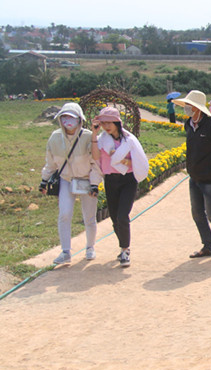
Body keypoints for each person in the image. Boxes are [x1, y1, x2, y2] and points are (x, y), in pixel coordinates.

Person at [173, 90, 211, 258]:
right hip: (195, 177)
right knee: (197, 213)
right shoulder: (188, 125)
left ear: (197, 108)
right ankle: (208, 246)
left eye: (189, 105)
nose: (186, 108)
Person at [40, 102, 102, 265]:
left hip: (86, 180)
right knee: (64, 214)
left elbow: (96, 163)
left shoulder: (89, 137)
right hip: (66, 180)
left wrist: (94, 184)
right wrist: (44, 180)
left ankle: (90, 247)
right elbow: (50, 162)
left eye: (72, 117)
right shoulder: (55, 138)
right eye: (65, 117)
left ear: (79, 119)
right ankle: (65, 251)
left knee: (89, 216)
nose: (68, 121)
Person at [91, 107, 149, 267]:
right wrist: (94, 134)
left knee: (123, 216)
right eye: (103, 123)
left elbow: (138, 161)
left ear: (117, 122)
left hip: (128, 180)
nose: (106, 126)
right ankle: (123, 245)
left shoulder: (129, 140)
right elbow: (95, 157)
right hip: (111, 180)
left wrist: (121, 160)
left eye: (109, 122)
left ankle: (125, 250)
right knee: (114, 217)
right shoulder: (101, 140)